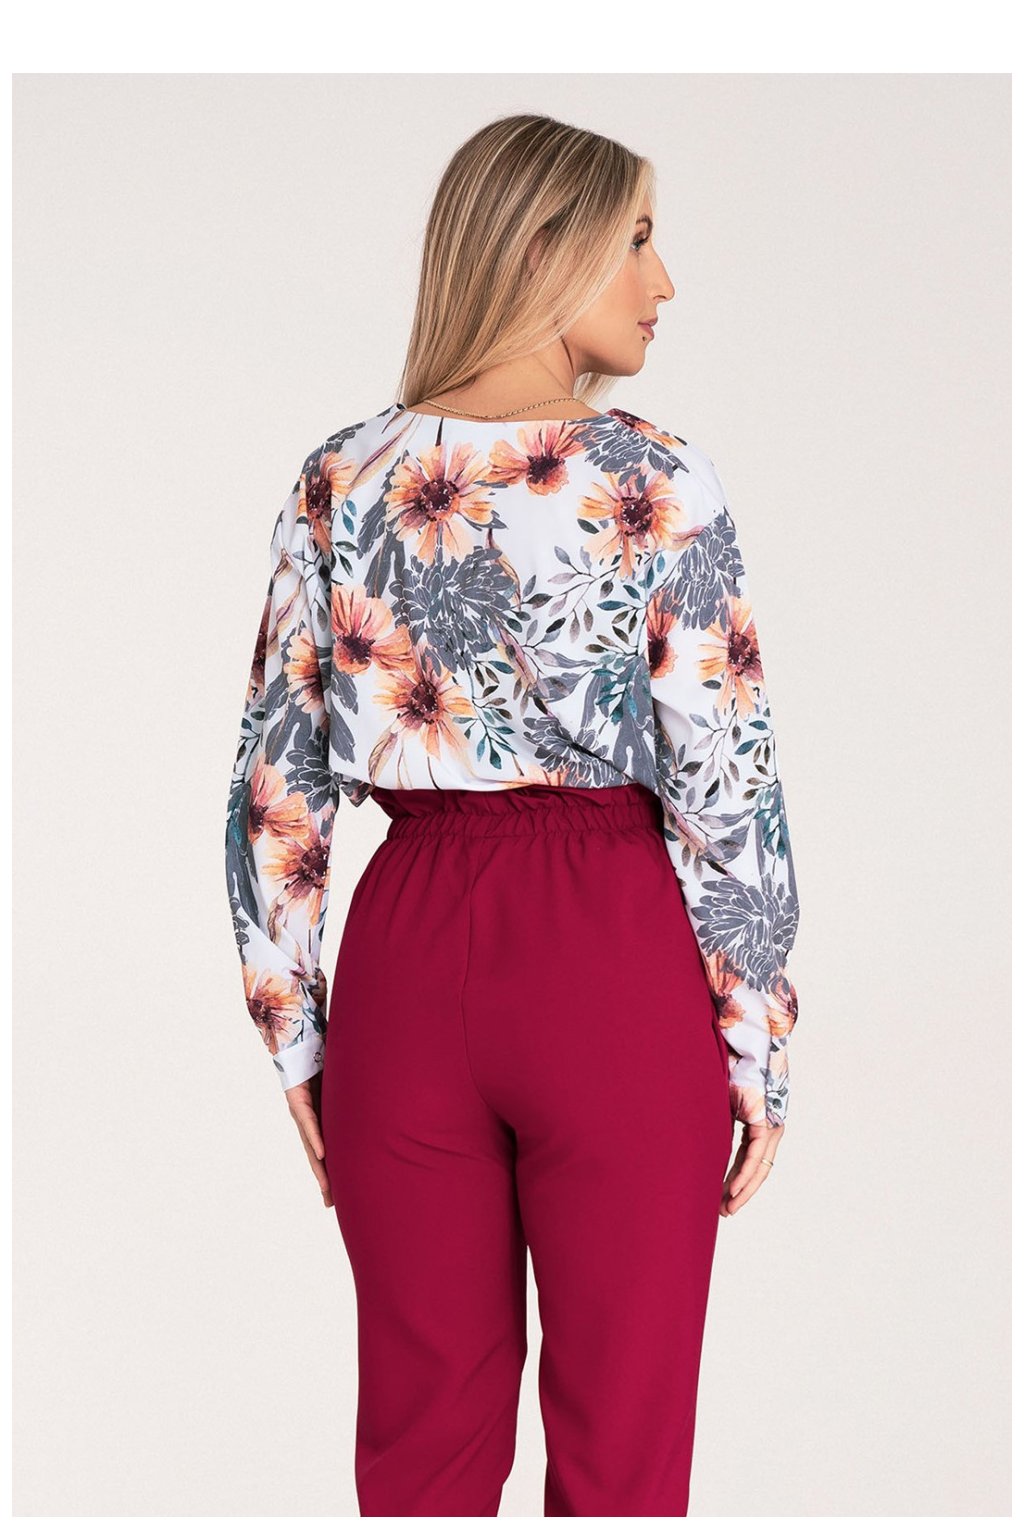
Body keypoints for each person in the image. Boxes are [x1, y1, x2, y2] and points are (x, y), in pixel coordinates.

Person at [224, 111, 800, 1518]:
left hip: (406, 956)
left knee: (419, 1448)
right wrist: (757, 1032)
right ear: (546, 248)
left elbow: (276, 784)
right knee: (623, 1454)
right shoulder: (657, 477)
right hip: (611, 951)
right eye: (638, 239)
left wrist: (296, 1027)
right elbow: (725, 775)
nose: (664, 282)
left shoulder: (343, 476)